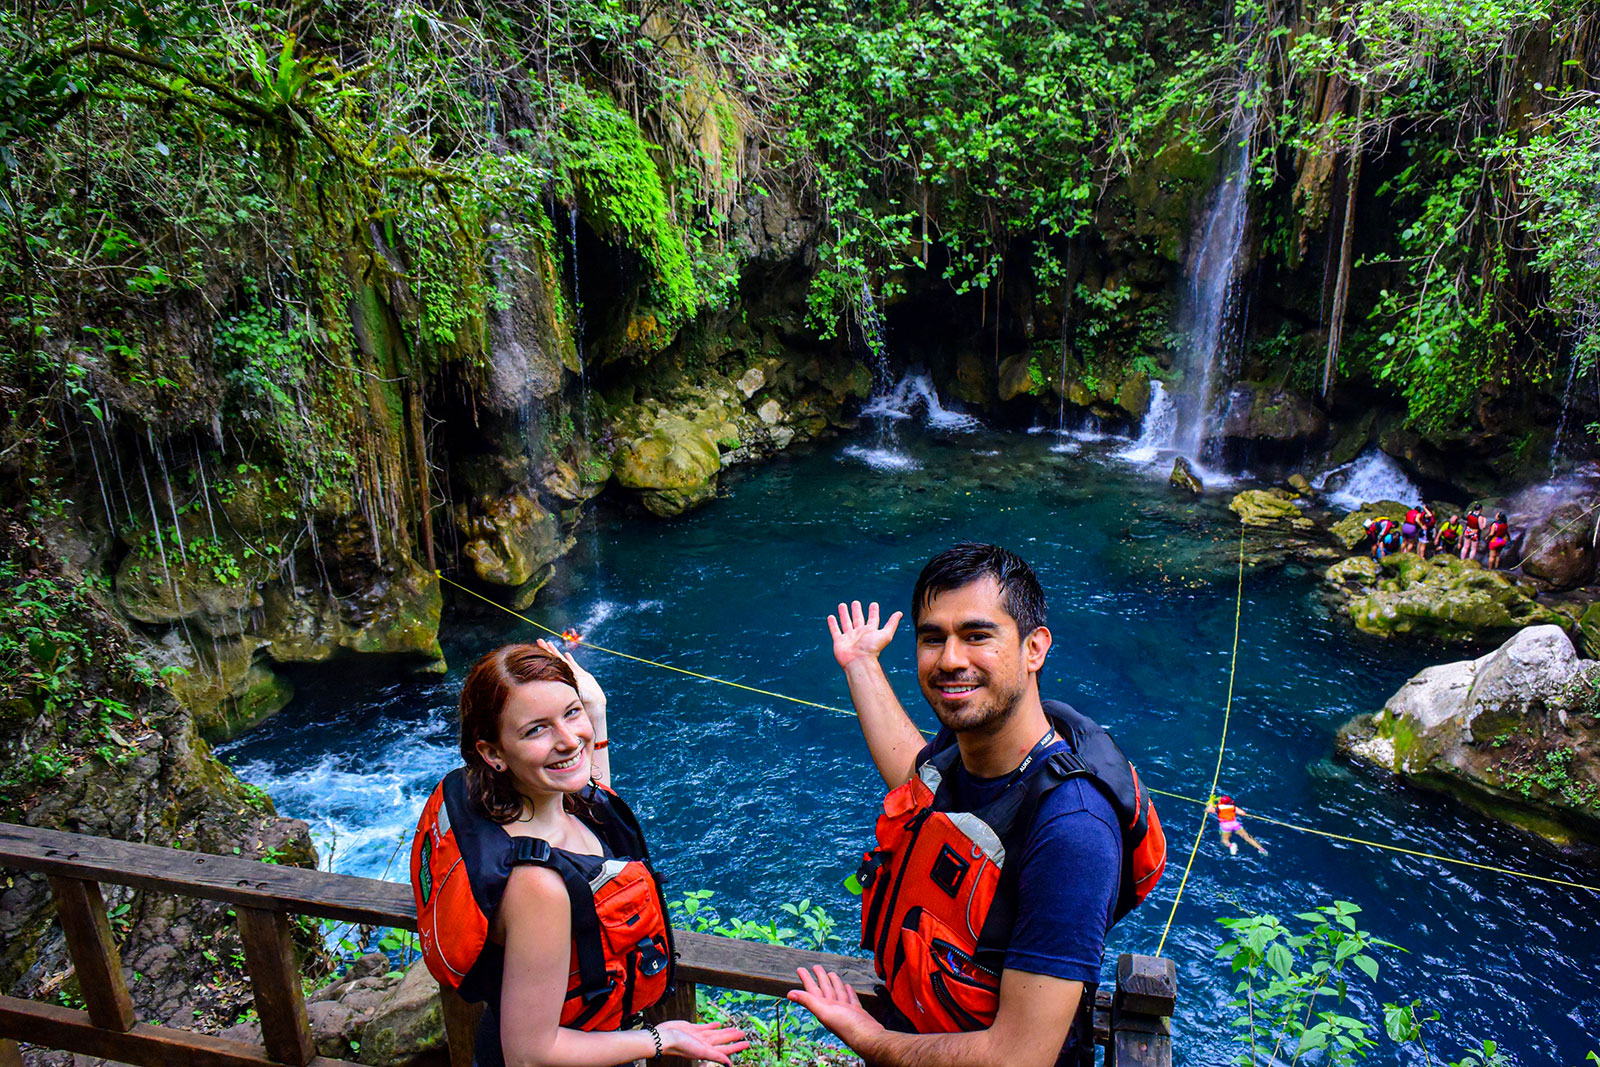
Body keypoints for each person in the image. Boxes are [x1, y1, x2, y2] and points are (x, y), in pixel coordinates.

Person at [791, 544, 1164, 1067]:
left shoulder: (1073, 832)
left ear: (1035, 648)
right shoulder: (962, 744)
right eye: (932, 638)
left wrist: (866, 1037)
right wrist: (860, 665)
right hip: (925, 1033)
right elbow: (914, 778)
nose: (950, 660)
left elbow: (1020, 1056)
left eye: (976, 635)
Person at [409, 641, 746, 1067]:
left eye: (570, 713)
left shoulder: (532, 805)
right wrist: (660, 1039)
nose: (569, 740)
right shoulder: (538, 886)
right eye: (537, 729)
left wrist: (594, 710)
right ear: (493, 753)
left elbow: (596, 802)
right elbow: (529, 1055)